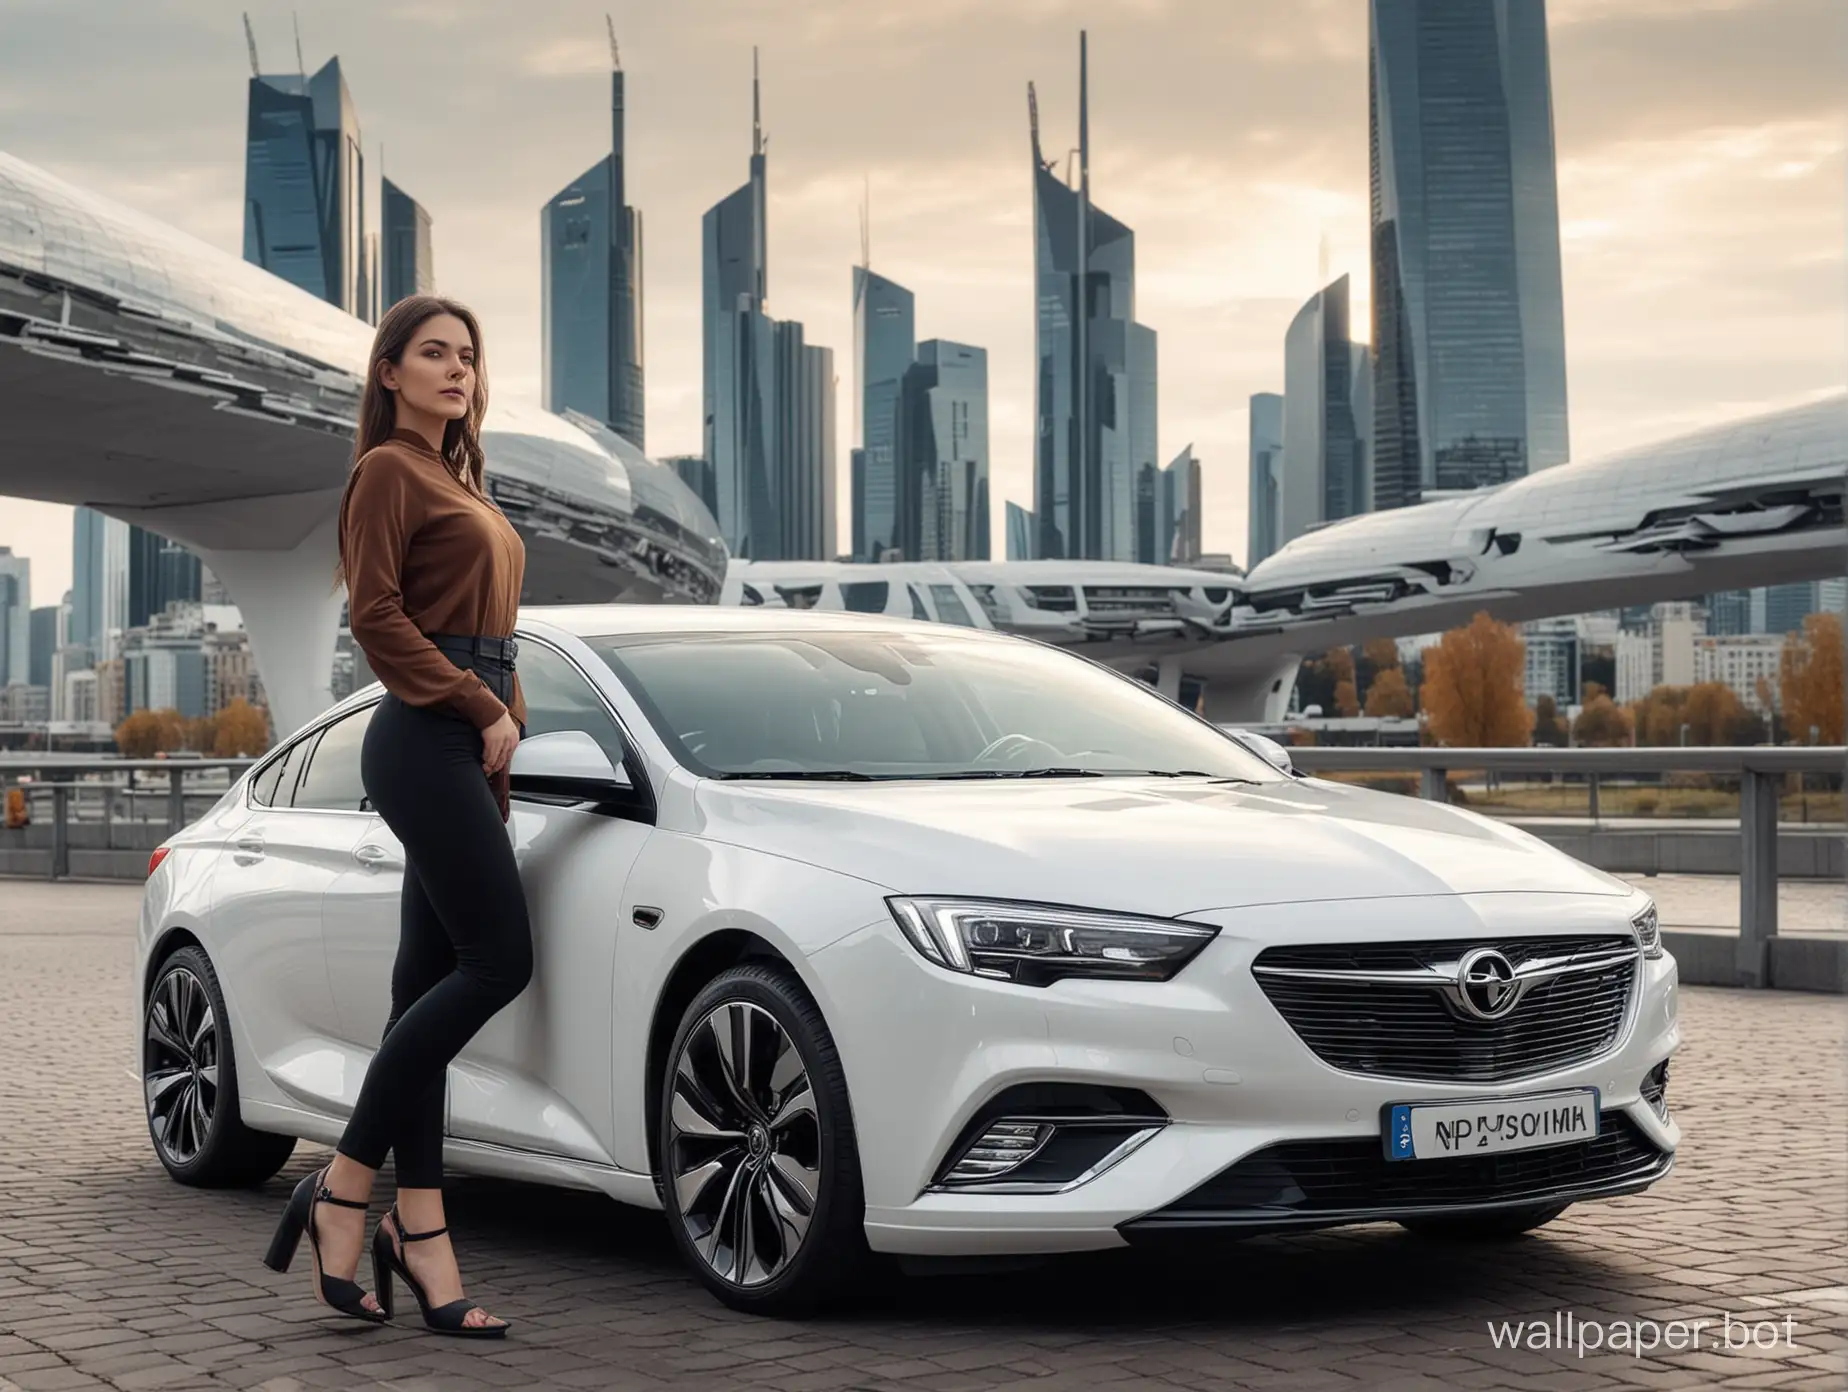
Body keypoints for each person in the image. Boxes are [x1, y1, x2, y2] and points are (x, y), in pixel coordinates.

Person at [260, 295, 528, 1337]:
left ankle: (422, 1237)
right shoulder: (385, 472)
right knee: (500, 960)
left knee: (424, 986)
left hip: (469, 742)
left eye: (468, 353)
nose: (457, 369)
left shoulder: (464, 480)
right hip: (421, 736)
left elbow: (501, 637)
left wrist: (502, 731)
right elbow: (375, 616)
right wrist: (475, 709)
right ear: (389, 372)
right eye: (433, 353)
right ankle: (341, 1186)